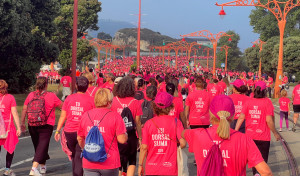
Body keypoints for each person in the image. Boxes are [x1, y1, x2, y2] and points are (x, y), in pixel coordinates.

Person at [182, 95, 273, 176]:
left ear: (210, 113)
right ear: (233, 115)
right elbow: (266, 172)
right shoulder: (244, 139)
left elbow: (183, 133)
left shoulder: (197, 134)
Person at [77, 88, 128, 176]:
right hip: (109, 161)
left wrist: (86, 149)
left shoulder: (86, 115)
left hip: (89, 161)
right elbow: (122, 140)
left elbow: (80, 138)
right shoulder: (115, 116)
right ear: (109, 102)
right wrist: (126, 134)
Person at [235, 81, 280, 175]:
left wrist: (235, 132)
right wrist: (275, 133)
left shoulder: (248, 101)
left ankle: (256, 173)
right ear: (265, 91)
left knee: (254, 162)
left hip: (250, 137)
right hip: (263, 137)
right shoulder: (267, 102)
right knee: (262, 162)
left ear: (254, 89)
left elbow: (241, 118)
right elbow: (269, 120)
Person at [21, 77, 63, 176]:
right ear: (46, 85)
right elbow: (63, 106)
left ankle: (42, 166)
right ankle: (34, 169)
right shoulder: (51, 96)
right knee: (42, 146)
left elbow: (24, 109)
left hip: (32, 124)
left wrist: (22, 122)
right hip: (46, 124)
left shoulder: (31, 95)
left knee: (39, 146)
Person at [138, 92, 186, 176]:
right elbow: (183, 143)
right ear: (170, 107)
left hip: (152, 167)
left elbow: (144, 147)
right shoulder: (176, 122)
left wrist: (140, 165)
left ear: (154, 106)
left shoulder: (148, 123)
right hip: (170, 167)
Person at [54, 77, 95, 176]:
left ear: (76, 85)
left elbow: (63, 115)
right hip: (83, 132)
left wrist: (58, 130)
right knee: (78, 156)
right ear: (87, 87)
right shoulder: (91, 100)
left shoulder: (69, 98)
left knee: (74, 156)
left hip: (69, 132)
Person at [111, 76, 142, 176]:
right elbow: (137, 122)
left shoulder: (114, 101)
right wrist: (140, 138)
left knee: (119, 161)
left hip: (117, 134)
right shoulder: (135, 102)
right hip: (131, 134)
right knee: (132, 161)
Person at [0, 80, 21, 176]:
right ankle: (7, 169)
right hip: (8, 128)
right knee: (10, 148)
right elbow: (15, 113)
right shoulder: (10, 98)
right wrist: (19, 127)